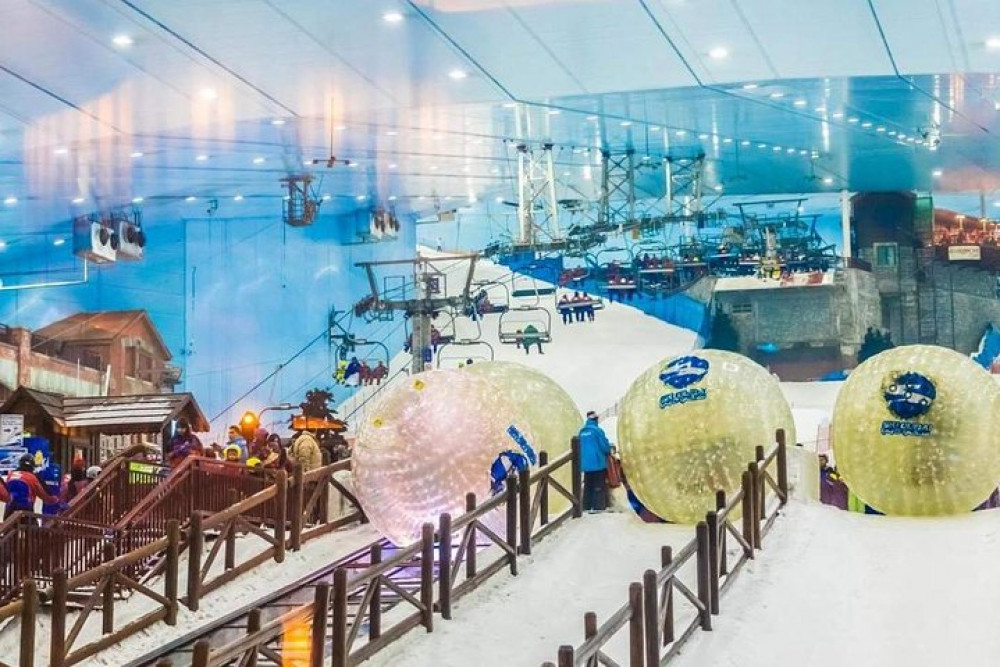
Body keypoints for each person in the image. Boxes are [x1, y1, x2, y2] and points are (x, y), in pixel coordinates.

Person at [5, 455, 60, 520]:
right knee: (33, 528)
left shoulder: (11, 475)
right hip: (26, 509)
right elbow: (43, 495)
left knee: (6, 528)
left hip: (10, 508)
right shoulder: (32, 477)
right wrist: (55, 500)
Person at [578, 411, 612, 512]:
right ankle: (598, 506)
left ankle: (586, 506)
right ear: (595, 419)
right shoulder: (598, 431)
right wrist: (608, 451)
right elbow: (604, 446)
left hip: (585, 464)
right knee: (598, 485)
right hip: (597, 463)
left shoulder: (581, 432)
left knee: (588, 485)